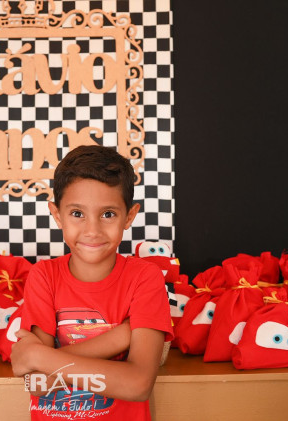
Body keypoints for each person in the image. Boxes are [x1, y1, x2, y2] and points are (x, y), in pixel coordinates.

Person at [10, 145, 174, 420]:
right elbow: (37, 383)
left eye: (108, 214)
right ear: (57, 214)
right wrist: (119, 338)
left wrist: (39, 357)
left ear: (129, 216)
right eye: (77, 213)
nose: (92, 230)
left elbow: (138, 384)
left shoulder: (145, 277)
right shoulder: (44, 276)